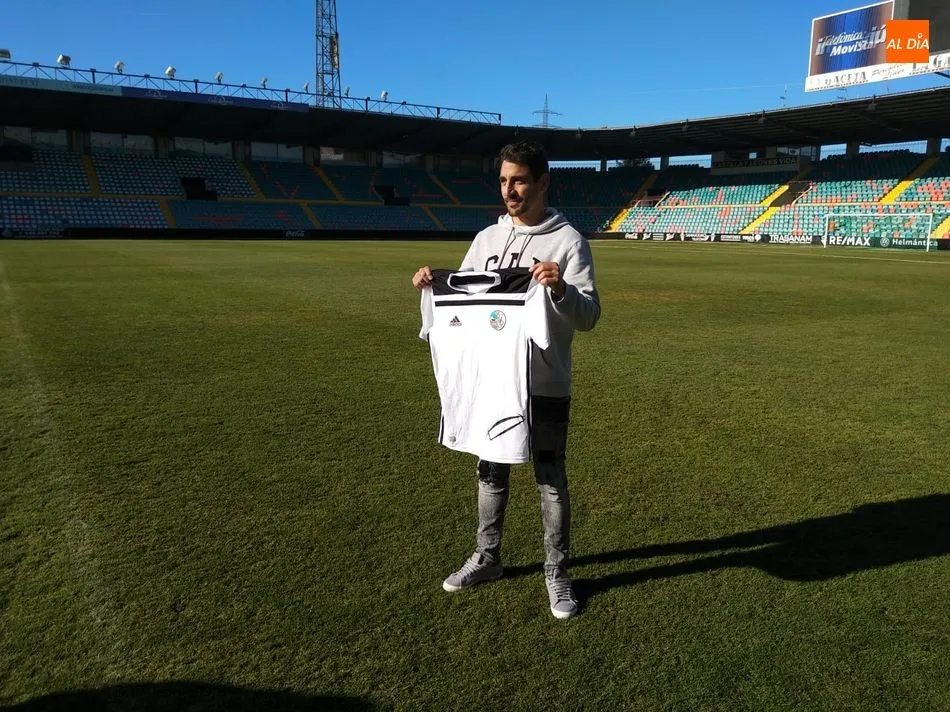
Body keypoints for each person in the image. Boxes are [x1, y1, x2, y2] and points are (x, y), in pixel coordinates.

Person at [411, 140, 601, 620]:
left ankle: (556, 572)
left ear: (542, 182)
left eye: (518, 180)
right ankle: (487, 557)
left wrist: (559, 288)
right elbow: (466, 298)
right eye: (503, 181)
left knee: (549, 479)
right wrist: (435, 287)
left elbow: (590, 316)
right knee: (490, 472)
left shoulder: (569, 242)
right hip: (492, 384)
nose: (509, 190)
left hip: (545, 383)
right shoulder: (486, 241)